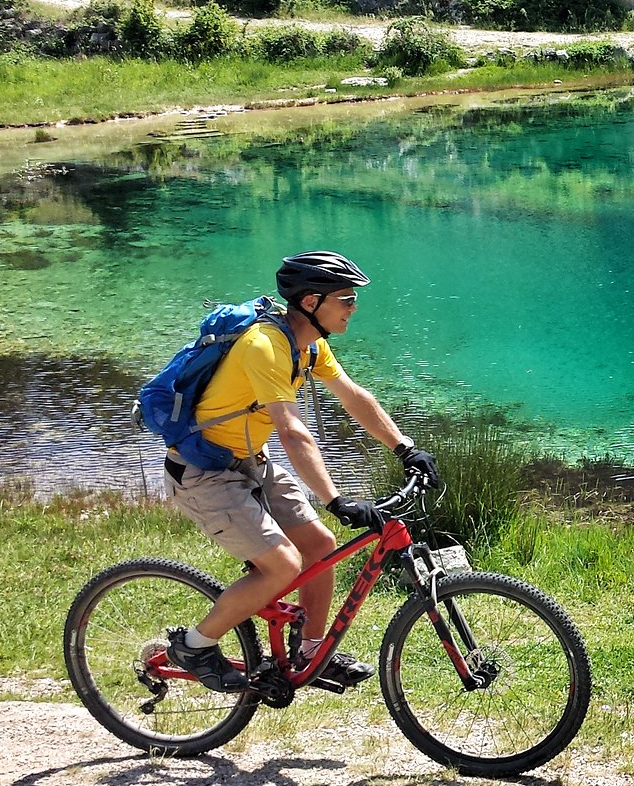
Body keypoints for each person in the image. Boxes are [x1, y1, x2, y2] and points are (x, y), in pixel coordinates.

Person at [162, 250, 439, 693]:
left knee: (320, 545)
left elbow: (353, 397)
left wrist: (406, 448)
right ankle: (193, 646)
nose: (354, 307)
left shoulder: (308, 345)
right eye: (346, 298)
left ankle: (311, 652)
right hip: (204, 473)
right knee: (281, 567)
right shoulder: (265, 347)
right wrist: (334, 499)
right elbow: (291, 431)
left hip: (250, 461)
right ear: (311, 302)